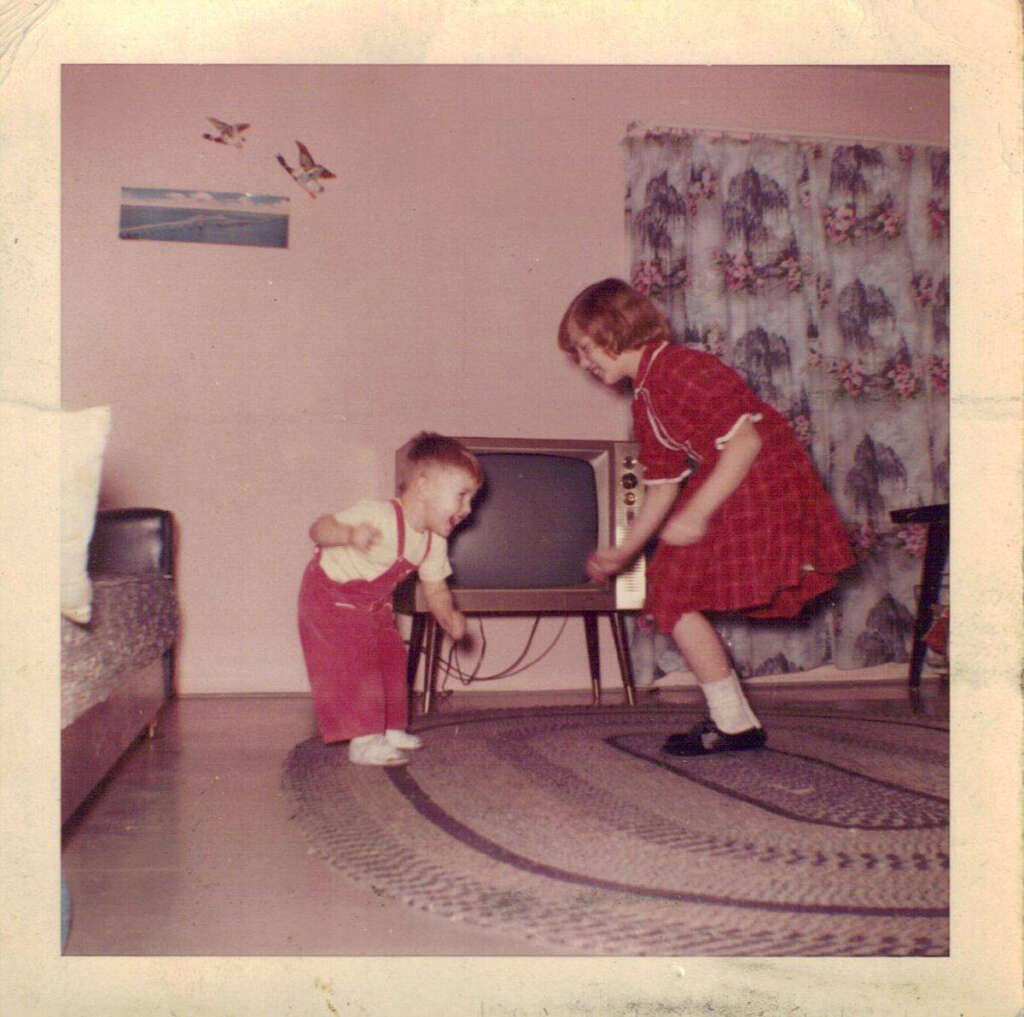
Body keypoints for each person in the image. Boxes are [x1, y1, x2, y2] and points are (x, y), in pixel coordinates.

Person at [558, 278, 855, 755]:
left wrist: (695, 516)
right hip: (733, 477)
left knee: (672, 592)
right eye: (576, 354)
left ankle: (734, 722)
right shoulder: (646, 395)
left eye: (586, 348)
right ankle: (734, 721)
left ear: (615, 329)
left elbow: (747, 442)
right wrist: (625, 551)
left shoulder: (681, 369)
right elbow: (661, 484)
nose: (583, 362)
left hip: (759, 476)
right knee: (669, 591)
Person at [298, 432, 482, 765]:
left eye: (471, 500)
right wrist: (349, 535)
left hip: (372, 603)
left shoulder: (432, 541)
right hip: (329, 595)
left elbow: (436, 588)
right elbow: (319, 528)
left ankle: (391, 727)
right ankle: (365, 740)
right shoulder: (379, 514)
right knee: (359, 662)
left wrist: (448, 617)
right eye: (462, 496)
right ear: (424, 486)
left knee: (392, 657)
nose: (467, 509)